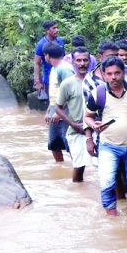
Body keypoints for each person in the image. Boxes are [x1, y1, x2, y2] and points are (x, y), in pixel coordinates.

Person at [84, 57, 127, 216]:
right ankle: (112, 219)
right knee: (107, 184)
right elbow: (88, 116)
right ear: (104, 74)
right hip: (109, 147)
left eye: (117, 73)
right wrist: (94, 126)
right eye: (109, 74)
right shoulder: (97, 94)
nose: (113, 77)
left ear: (123, 72)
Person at [55, 47, 94, 182]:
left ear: (90, 62)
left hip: (96, 128)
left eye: (85, 60)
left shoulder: (96, 81)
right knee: (79, 167)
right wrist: (73, 124)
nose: (82, 63)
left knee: (105, 166)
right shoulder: (67, 83)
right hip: (77, 132)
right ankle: (78, 190)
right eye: (78, 60)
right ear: (73, 62)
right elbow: (58, 108)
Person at [43, 42, 75, 162]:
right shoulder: (54, 68)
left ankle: (77, 170)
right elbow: (55, 93)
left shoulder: (65, 69)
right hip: (55, 111)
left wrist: (58, 112)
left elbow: (71, 92)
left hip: (66, 113)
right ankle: (60, 167)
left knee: (70, 145)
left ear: (47, 55)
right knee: (54, 144)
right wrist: (49, 111)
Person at [34, 20, 65, 100]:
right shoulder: (41, 44)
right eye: (54, 28)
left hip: (62, 77)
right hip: (49, 79)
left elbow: (63, 58)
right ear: (47, 31)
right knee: (53, 103)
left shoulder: (60, 41)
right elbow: (37, 63)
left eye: (57, 28)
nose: (57, 30)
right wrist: (38, 81)